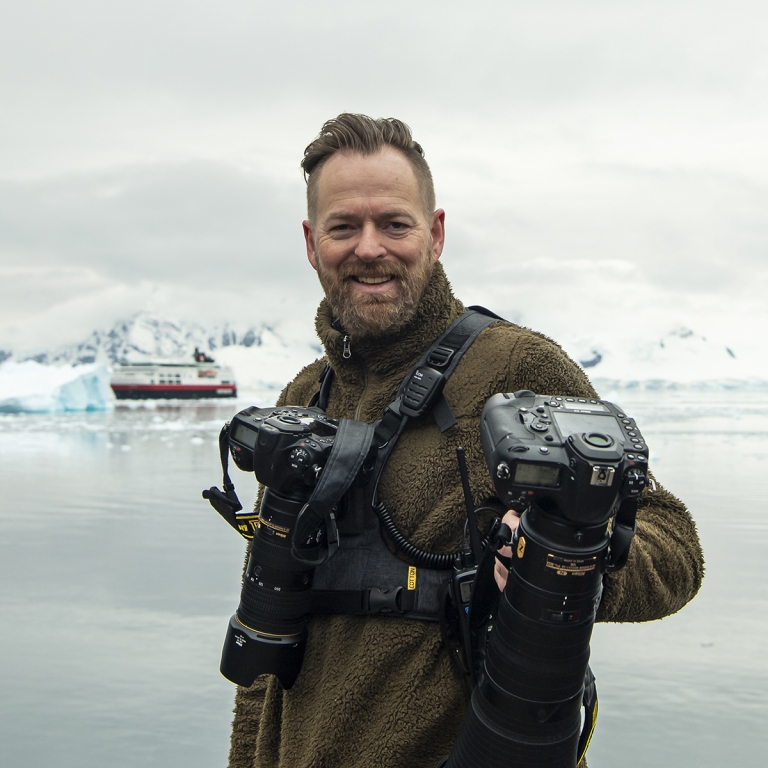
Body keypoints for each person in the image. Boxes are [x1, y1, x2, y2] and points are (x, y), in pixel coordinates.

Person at [227, 114, 704, 768]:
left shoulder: (515, 370)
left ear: (436, 232)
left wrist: (562, 562)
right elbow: (266, 633)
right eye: (344, 226)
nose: (369, 248)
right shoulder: (305, 397)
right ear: (312, 243)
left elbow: (672, 544)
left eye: (394, 223)